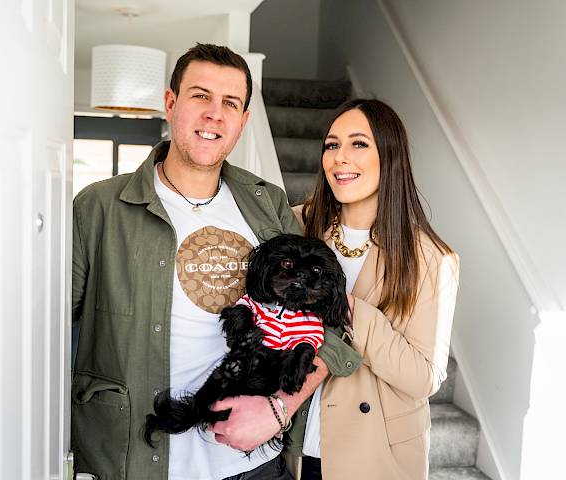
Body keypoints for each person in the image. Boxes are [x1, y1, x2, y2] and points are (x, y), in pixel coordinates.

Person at [70, 44, 361, 480]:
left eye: (230, 103)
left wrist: (279, 410)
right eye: (200, 96)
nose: (214, 114)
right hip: (134, 459)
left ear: (244, 121)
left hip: (255, 465)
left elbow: (327, 324)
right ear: (171, 104)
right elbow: (40, 338)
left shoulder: (268, 203)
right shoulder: (100, 208)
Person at [287, 99, 460, 479]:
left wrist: (349, 309)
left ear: (390, 155)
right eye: (332, 145)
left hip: (373, 455)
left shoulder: (429, 257)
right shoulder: (299, 227)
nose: (339, 158)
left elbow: (423, 377)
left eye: (358, 144)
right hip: (292, 446)